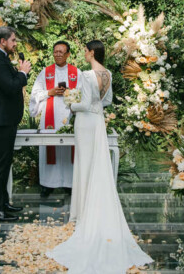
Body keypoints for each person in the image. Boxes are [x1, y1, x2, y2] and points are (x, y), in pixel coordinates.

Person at [46, 40, 153, 273]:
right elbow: (106, 101)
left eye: (85, 50)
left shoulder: (86, 74)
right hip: (98, 122)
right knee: (97, 165)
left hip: (84, 122)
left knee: (85, 166)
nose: (84, 53)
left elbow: (82, 104)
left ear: (92, 52)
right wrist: (90, 104)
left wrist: (70, 103)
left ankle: (84, 213)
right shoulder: (108, 74)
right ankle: (90, 210)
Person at [0, 26, 32, 222]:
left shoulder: (0, 57)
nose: (15, 43)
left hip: (5, 120)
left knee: (4, 165)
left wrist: (19, 73)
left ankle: (3, 203)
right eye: (13, 40)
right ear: (3, 41)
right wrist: (23, 73)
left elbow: (10, 82)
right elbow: (11, 87)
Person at [28, 40, 78, 197]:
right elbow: (35, 94)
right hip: (51, 116)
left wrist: (69, 92)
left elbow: (83, 93)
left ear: (68, 54)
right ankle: (48, 184)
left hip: (69, 115)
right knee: (50, 146)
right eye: (55, 51)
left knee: (68, 149)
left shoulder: (77, 73)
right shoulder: (45, 72)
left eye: (61, 52)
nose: (58, 54)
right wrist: (50, 92)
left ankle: (70, 184)